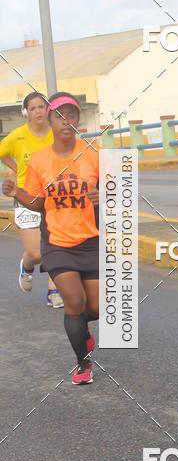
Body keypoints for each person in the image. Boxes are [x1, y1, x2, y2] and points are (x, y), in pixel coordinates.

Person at [2, 92, 100, 385]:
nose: (66, 121)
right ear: (51, 119)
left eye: (72, 115)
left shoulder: (93, 154)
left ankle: (82, 331)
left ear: (78, 120)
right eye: (60, 115)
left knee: (95, 307)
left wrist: (104, 195)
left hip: (91, 241)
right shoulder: (40, 161)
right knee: (73, 301)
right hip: (57, 243)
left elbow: (118, 190)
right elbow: (37, 202)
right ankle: (83, 364)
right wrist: (16, 192)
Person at [0, 91, 63, 307]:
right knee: (36, 253)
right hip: (26, 197)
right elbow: (2, 152)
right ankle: (27, 267)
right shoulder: (17, 136)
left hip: (55, 198)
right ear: (26, 112)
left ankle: (54, 292)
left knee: (57, 246)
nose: (38, 111)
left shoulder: (57, 132)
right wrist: (16, 169)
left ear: (48, 109)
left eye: (41, 107)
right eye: (33, 107)